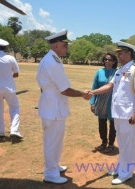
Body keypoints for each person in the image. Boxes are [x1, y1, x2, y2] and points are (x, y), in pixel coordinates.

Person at [36, 30, 91, 184]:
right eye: (65, 45)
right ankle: (51, 174)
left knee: (56, 140)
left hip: (52, 106)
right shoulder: (52, 62)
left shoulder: (51, 59)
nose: (67, 48)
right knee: (52, 141)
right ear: (56, 45)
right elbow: (65, 90)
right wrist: (83, 94)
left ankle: (54, 166)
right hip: (53, 108)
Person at [90, 41, 135, 185]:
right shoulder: (120, 70)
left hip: (129, 114)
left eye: (120, 53)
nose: (118, 56)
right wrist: (92, 93)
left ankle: (126, 173)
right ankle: (121, 167)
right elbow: (109, 86)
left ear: (128, 54)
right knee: (121, 143)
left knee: (128, 144)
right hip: (118, 112)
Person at [0, 38, 21, 138]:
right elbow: (16, 74)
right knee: (14, 108)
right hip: (9, 88)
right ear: (5, 47)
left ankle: (0, 131)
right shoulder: (11, 58)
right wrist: (7, 77)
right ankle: (14, 130)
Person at [90, 53, 118, 153]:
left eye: (110, 60)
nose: (107, 61)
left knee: (113, 124)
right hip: (101, 103)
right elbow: (94, 88)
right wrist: (92, 103)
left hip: (112, 103)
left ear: (114, 61)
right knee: (102, 123)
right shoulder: (99, 72)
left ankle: (111, 144)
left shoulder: (117, 72)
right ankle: (103, 142)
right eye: (105, 59)